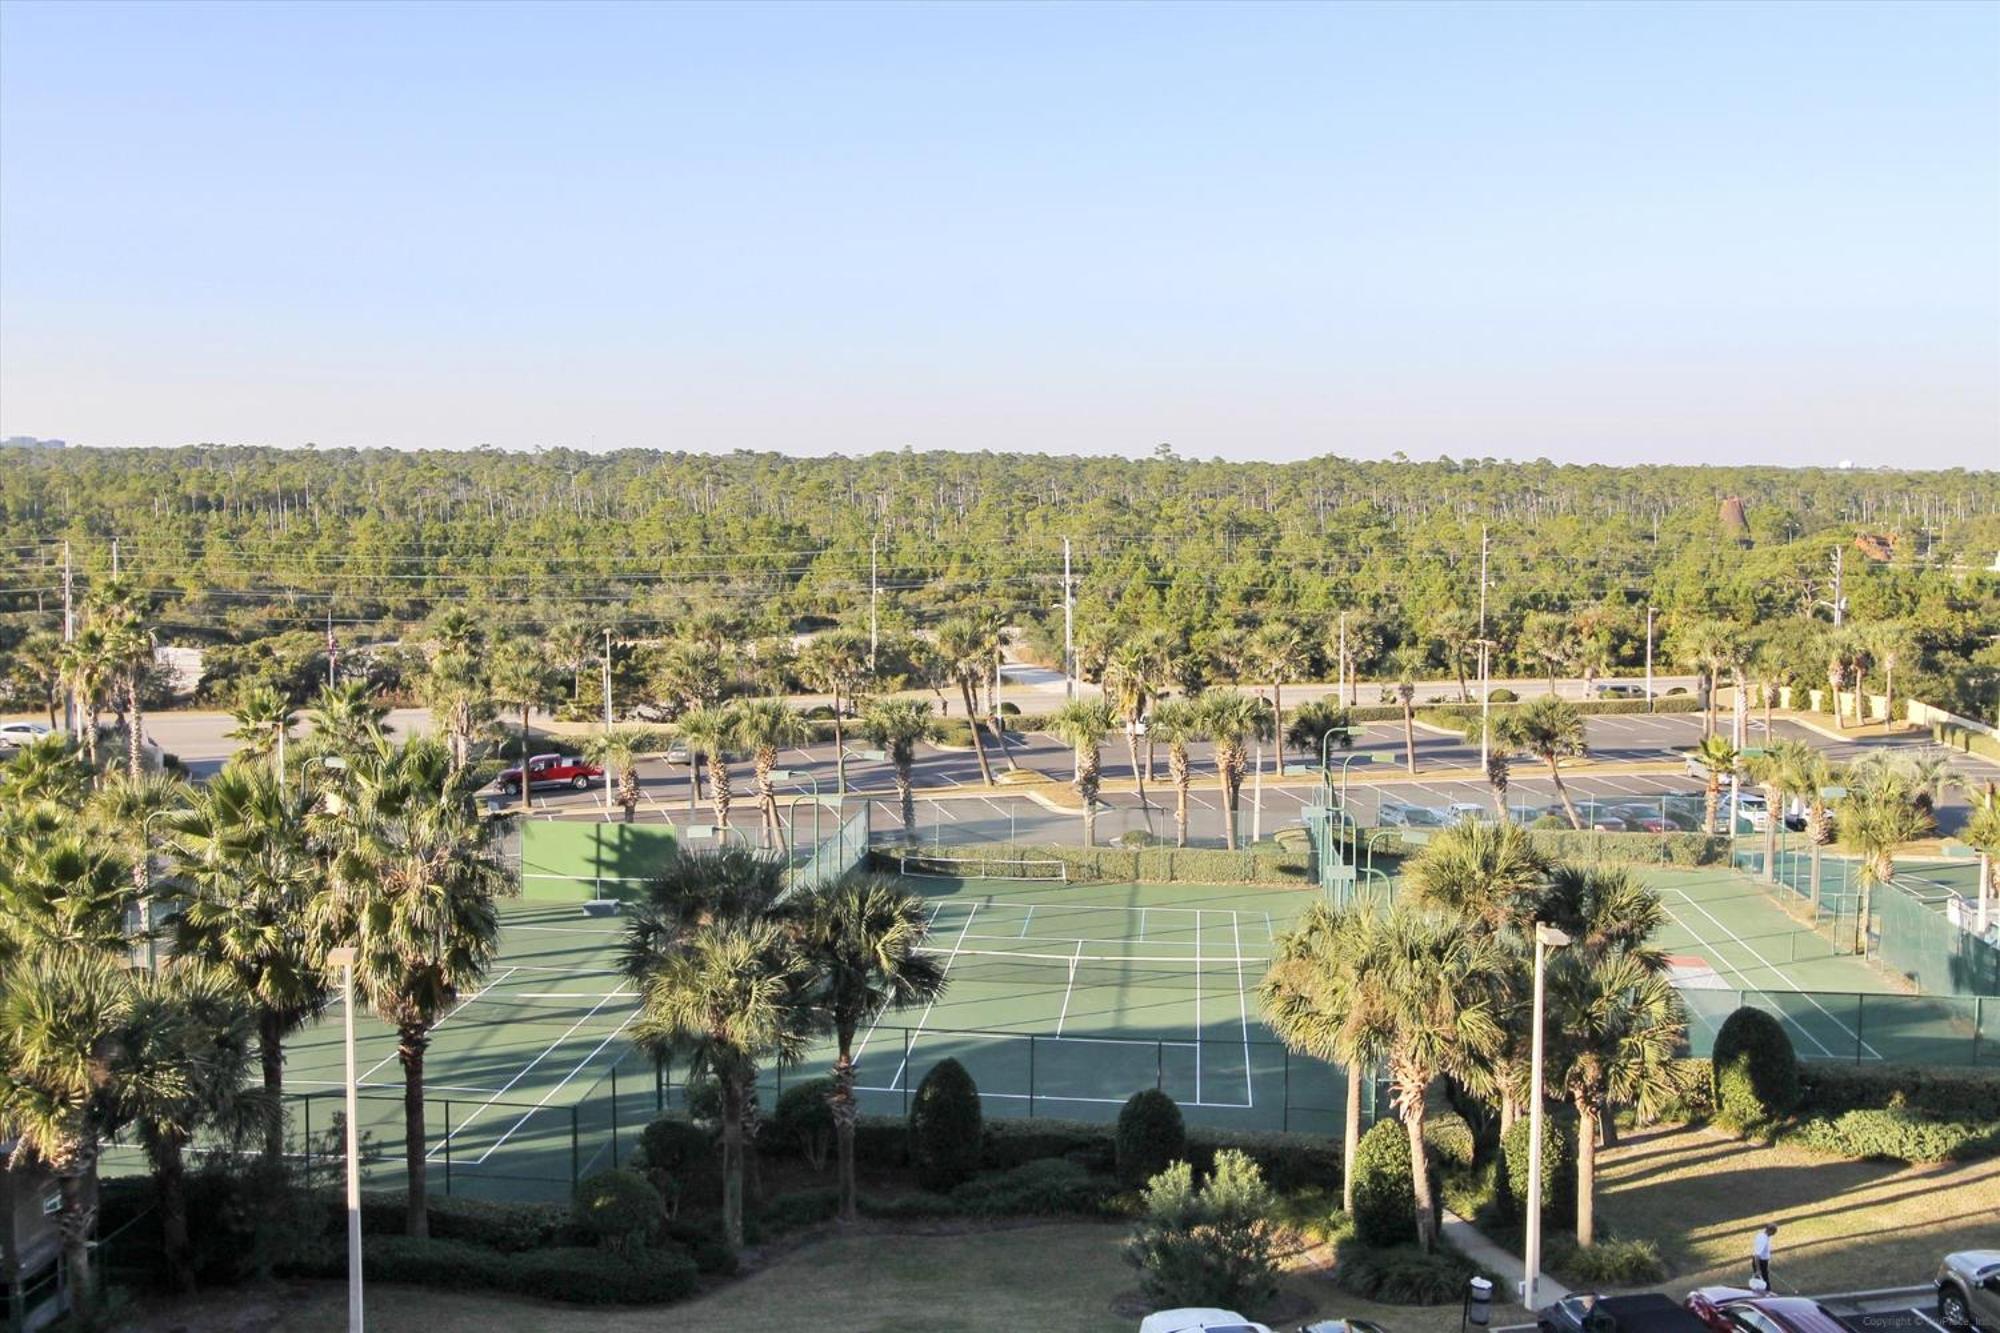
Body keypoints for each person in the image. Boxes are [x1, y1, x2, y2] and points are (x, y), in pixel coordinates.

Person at [1751, 1223, 1777, 1288]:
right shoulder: (1762, 1239)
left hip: (1763, 1263)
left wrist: (1766, 1267)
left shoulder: (1765, 1236)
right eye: (1774, 1232)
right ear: (1770, 1231)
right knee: (1765, 1285)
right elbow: (1757, 1256)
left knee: (1764, 1282)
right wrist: (1758, 1270)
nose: (1774, 1234)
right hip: (1760, 1262)